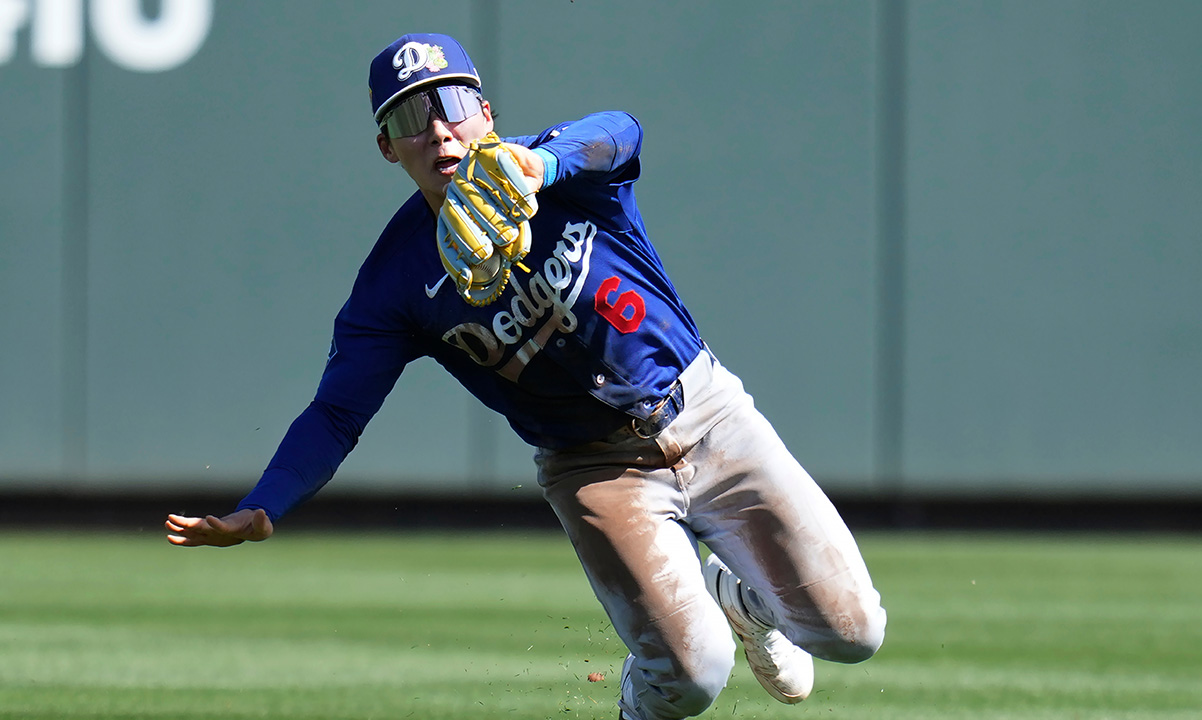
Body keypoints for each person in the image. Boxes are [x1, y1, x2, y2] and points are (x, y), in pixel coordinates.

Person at [165, 32, 887, 720]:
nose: (439, 131)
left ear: (485, 112)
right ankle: (641, 701)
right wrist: (265, 504)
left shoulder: (561, 170)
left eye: (452, 104)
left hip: (705, 412)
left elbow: (623, 129)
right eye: (411, 118)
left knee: (855, 634)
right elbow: (337, 413)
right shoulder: (394, 282)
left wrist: (544, 163)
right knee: (693, 674)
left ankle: (746, 604)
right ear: (387, 147)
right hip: (596, 470)